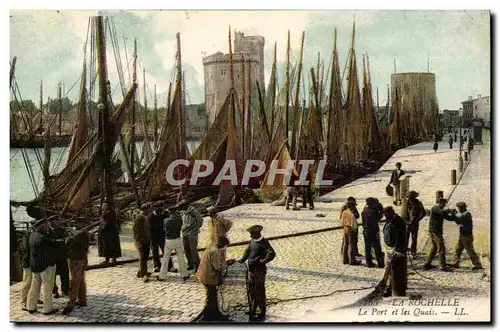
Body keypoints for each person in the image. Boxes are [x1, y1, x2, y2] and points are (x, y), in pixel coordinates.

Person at [238, 225, 276, 321]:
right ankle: (253, 309)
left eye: (251, 234)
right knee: (251, 291)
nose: (250, 236)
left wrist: (263, 261)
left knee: (259, 292)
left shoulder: (264, 242)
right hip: (251, 270)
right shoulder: (252, 241)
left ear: (257, 233)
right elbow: (247, 251)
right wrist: (242, 259)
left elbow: (271, 253)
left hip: (259, 271)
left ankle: (262, 312)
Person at [197, 236, 235, 322]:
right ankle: (209, 315)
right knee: (211, 296)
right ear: (222, 245)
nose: (225, 247)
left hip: (203, 275)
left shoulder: (211, 247)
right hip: (208, 277)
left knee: (212, 296)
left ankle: (214, 313)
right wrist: (227, 263)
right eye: (225, 245)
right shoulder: (215, 252)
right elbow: (218, 267)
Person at [26, 218, 58, 315]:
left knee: (34, 287)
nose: (49, 226)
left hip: (35, 265)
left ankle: (30, 307)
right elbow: (55, 242)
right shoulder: (44, 238)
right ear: (43, 226)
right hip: (46, 266)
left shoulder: (32, 236)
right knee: (47, 288)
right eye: (47, 224)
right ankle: (47, 309)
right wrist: (51, 230)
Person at [61, 219, 90, 315]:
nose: (75, 223)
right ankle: (82, 300)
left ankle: (71, 304)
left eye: (77, 222)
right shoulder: (85, 234)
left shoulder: (80, 235)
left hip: (76, 260)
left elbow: (68, 242)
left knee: (75, 281)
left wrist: (69, 237)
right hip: (82, 259)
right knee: (81, 280)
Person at [158, 205, 190, 281]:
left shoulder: (166, 220)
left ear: (169, 212)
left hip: (169, 240)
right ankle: (184, 274)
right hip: (177, 239)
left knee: (165, 259)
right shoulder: (179, 219)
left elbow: (164, 229)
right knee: (181, 258)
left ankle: (162, 275)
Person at [424, 198, 456, 271]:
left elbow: (448, 217)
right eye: (444, 204)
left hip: (435, 231)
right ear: (440, 203)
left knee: (434, 248)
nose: (444, 206)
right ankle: (442, 265)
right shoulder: (435, 208)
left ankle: (427, 263)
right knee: (441, 248)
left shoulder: (439, 209)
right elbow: (442, 213)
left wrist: (454, 215)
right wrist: (449, 210)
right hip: (435, 231)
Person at [449, 202, 483, 270]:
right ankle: (455, 263)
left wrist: (453, 214)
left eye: (458, 208)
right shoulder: (464, 214)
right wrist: (454, 214)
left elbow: (458, 221)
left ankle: (477, 264)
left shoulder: (466, 214)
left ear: (460, 208)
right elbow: (457, 219)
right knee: (457, 249)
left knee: (470, 250)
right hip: (462, 235)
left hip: (466, 236)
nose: (457, 209)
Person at [382, 206, 407, 297]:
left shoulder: (399, 221)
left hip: (395, 249)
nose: (385, 216)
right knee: (387, 267)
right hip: (388, 247)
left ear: (392, 212)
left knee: (394, 269)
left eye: (386, 214)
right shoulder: (388, 220)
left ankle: (391, 287)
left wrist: (398, 250)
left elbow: (401, 237)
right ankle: (388, 285)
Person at [147, 204, 176, 274]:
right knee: (155, 251)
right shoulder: (151, 216)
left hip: (162, 235)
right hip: (153, 236)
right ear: (155, 208)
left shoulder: (165, 214)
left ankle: (170, 266)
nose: (160, 209)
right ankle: (157, 266)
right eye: (158, 207)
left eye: (161, 207)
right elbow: (148, 226)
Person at [361, 198, 384, 268]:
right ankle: (380, 263)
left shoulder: (364, 211)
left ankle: (369, 263)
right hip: (373, 232)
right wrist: (380, 212)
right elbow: (379, 218)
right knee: (377, 248)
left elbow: (363, 222)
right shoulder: (373, 212)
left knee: (367, 248)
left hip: (366, 231)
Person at [182, 204, 204, 272]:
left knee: (193, 250)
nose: (181, 208)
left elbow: (200, 220)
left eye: (182, 206)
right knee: (186, 249)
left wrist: (195, 228)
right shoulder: (183, 212)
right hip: (185, 233)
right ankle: (190, 264)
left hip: (192, 234)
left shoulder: (193, 211)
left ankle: (197, 266)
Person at [341, 197, 361, 265]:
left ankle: (345, 260)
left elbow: (342, 221)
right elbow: (353, 225)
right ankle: (352, 261)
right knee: (351, 245)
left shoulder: (344, 212)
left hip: (345, 228)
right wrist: (354, 230)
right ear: (352, 206)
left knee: (346, 245)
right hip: (351, 230)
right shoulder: (351, 214)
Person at [406, 191, 426, 256]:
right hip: (407, 223)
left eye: (411, 197)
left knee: (414, 238)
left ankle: (413, 251)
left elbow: (423, 213)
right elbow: (403, 213)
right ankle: (405, 250)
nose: (410, 198)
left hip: (415, 223)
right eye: (409, 197)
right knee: (405, 238)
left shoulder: (418, 203)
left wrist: (417, 219)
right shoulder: (406, 203)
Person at [52, 224, 69, 298]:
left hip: (59, 257)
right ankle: (59, 291)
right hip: (56, 257)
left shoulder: (60, 230)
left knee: (62, 275)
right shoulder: (48, 232)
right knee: (55, 276)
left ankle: (63, 291)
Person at [132, 212, 151, 282]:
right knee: (143, 257)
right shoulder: (140, 218)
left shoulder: (145, 217)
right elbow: (136, 230)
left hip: (146, 240)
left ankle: (140, 271)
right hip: (141, 240)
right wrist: (137, 241)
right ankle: (143, 275)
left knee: (145, 257)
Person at [20, 228, 33, 311]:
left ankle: (33, 298)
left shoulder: (32, 235)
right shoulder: (27, 236)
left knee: (34, 283)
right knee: (27, 283)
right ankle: (23, 301)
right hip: (28, 263)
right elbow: (25, 250)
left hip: (33, 263)